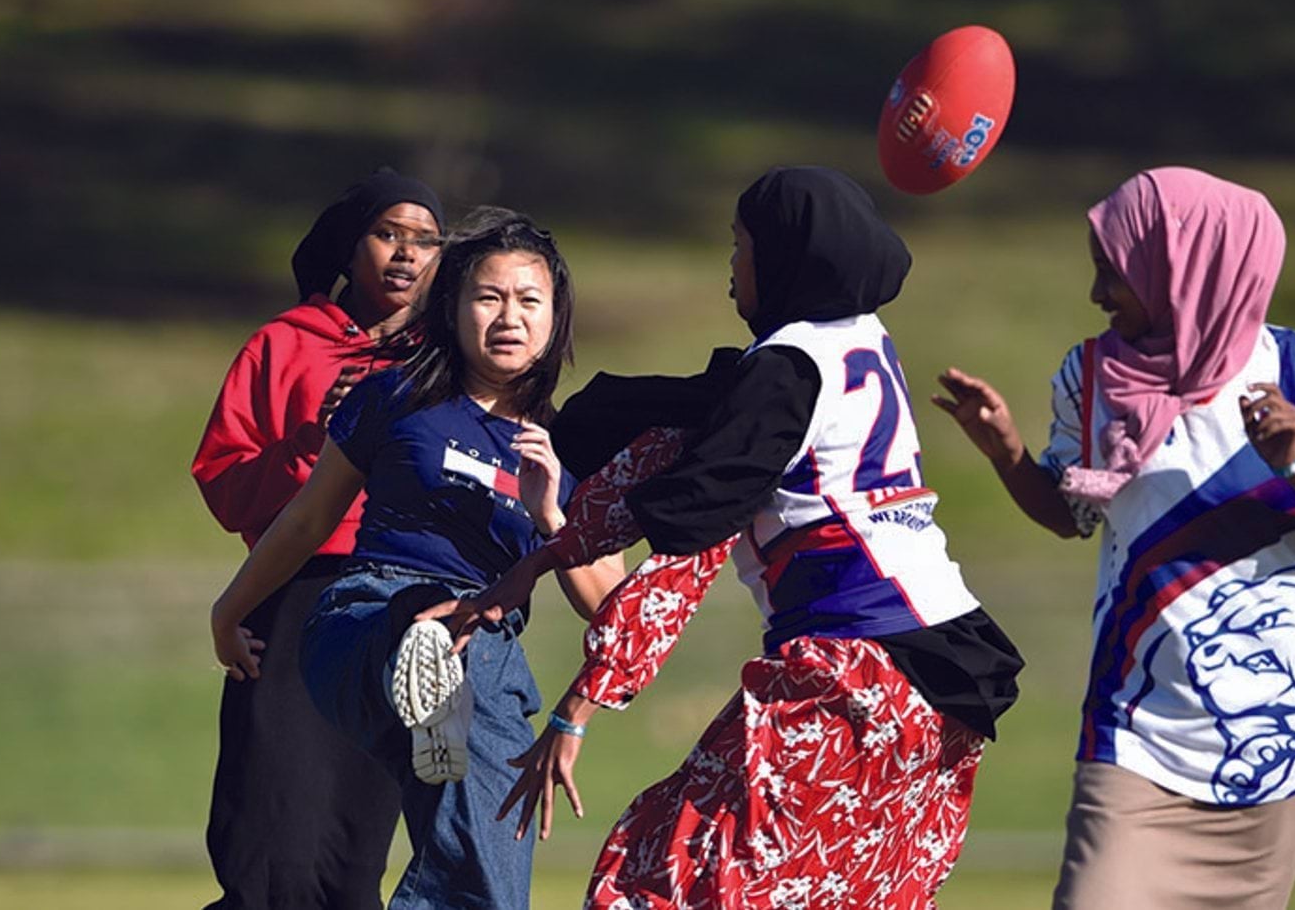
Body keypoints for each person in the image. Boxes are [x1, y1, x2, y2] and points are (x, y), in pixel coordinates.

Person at [432, 166, 1025, 908]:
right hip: (943, 691)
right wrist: (561, 522)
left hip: (856, 678)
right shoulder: (855, 342)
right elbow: (694, 411)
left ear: (782, 258)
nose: (732, 265)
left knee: (661, 873)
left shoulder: (784, 373)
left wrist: (574, 703)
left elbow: (692, 527)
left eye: (741, 245)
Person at [931, 167, 1295, 909]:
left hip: (1277, 737)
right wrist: (1006, 449)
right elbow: (1070, 516)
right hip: (1136, 731)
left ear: (1182, 267)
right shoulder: (1089, 376)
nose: (1097, 293)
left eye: (1112, 271)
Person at [207, 209, 625, 910]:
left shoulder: (569, 448)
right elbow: (307, 518)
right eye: (488, 297)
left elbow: (612, 604)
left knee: (487, 868)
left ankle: (445, 692)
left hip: (482, 648)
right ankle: (432, 661)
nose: (508, 317)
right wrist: (231, 609)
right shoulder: (396, 397)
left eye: (529, 301)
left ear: (556, 319)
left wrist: (553, 514)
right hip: (366, 616)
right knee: (440, 631)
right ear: (453, 306)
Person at [193, 167, 444, 909]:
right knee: (270, 843)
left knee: (352, 853)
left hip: (397, 613)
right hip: (293, 602)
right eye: (387, 234)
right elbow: (224, 479)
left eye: (425, 240)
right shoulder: (284, 345)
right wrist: (316, 439)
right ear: (349, 244)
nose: (404, 254)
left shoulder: (446, 362)